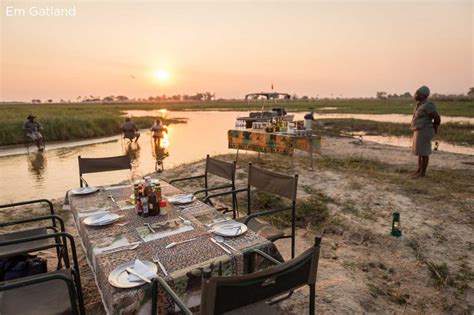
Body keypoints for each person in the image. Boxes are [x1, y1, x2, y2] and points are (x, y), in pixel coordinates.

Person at [410, 85, 441, 178]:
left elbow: (437, 118)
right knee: (419, 152)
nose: (416, 95)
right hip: (419, 130)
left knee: (424, 152)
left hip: (425, 130)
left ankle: (422, 173)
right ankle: (419, 170)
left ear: (423, 95)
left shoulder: (428, 105)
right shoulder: (420, 104)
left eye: (418, 93)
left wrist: (435, 127)